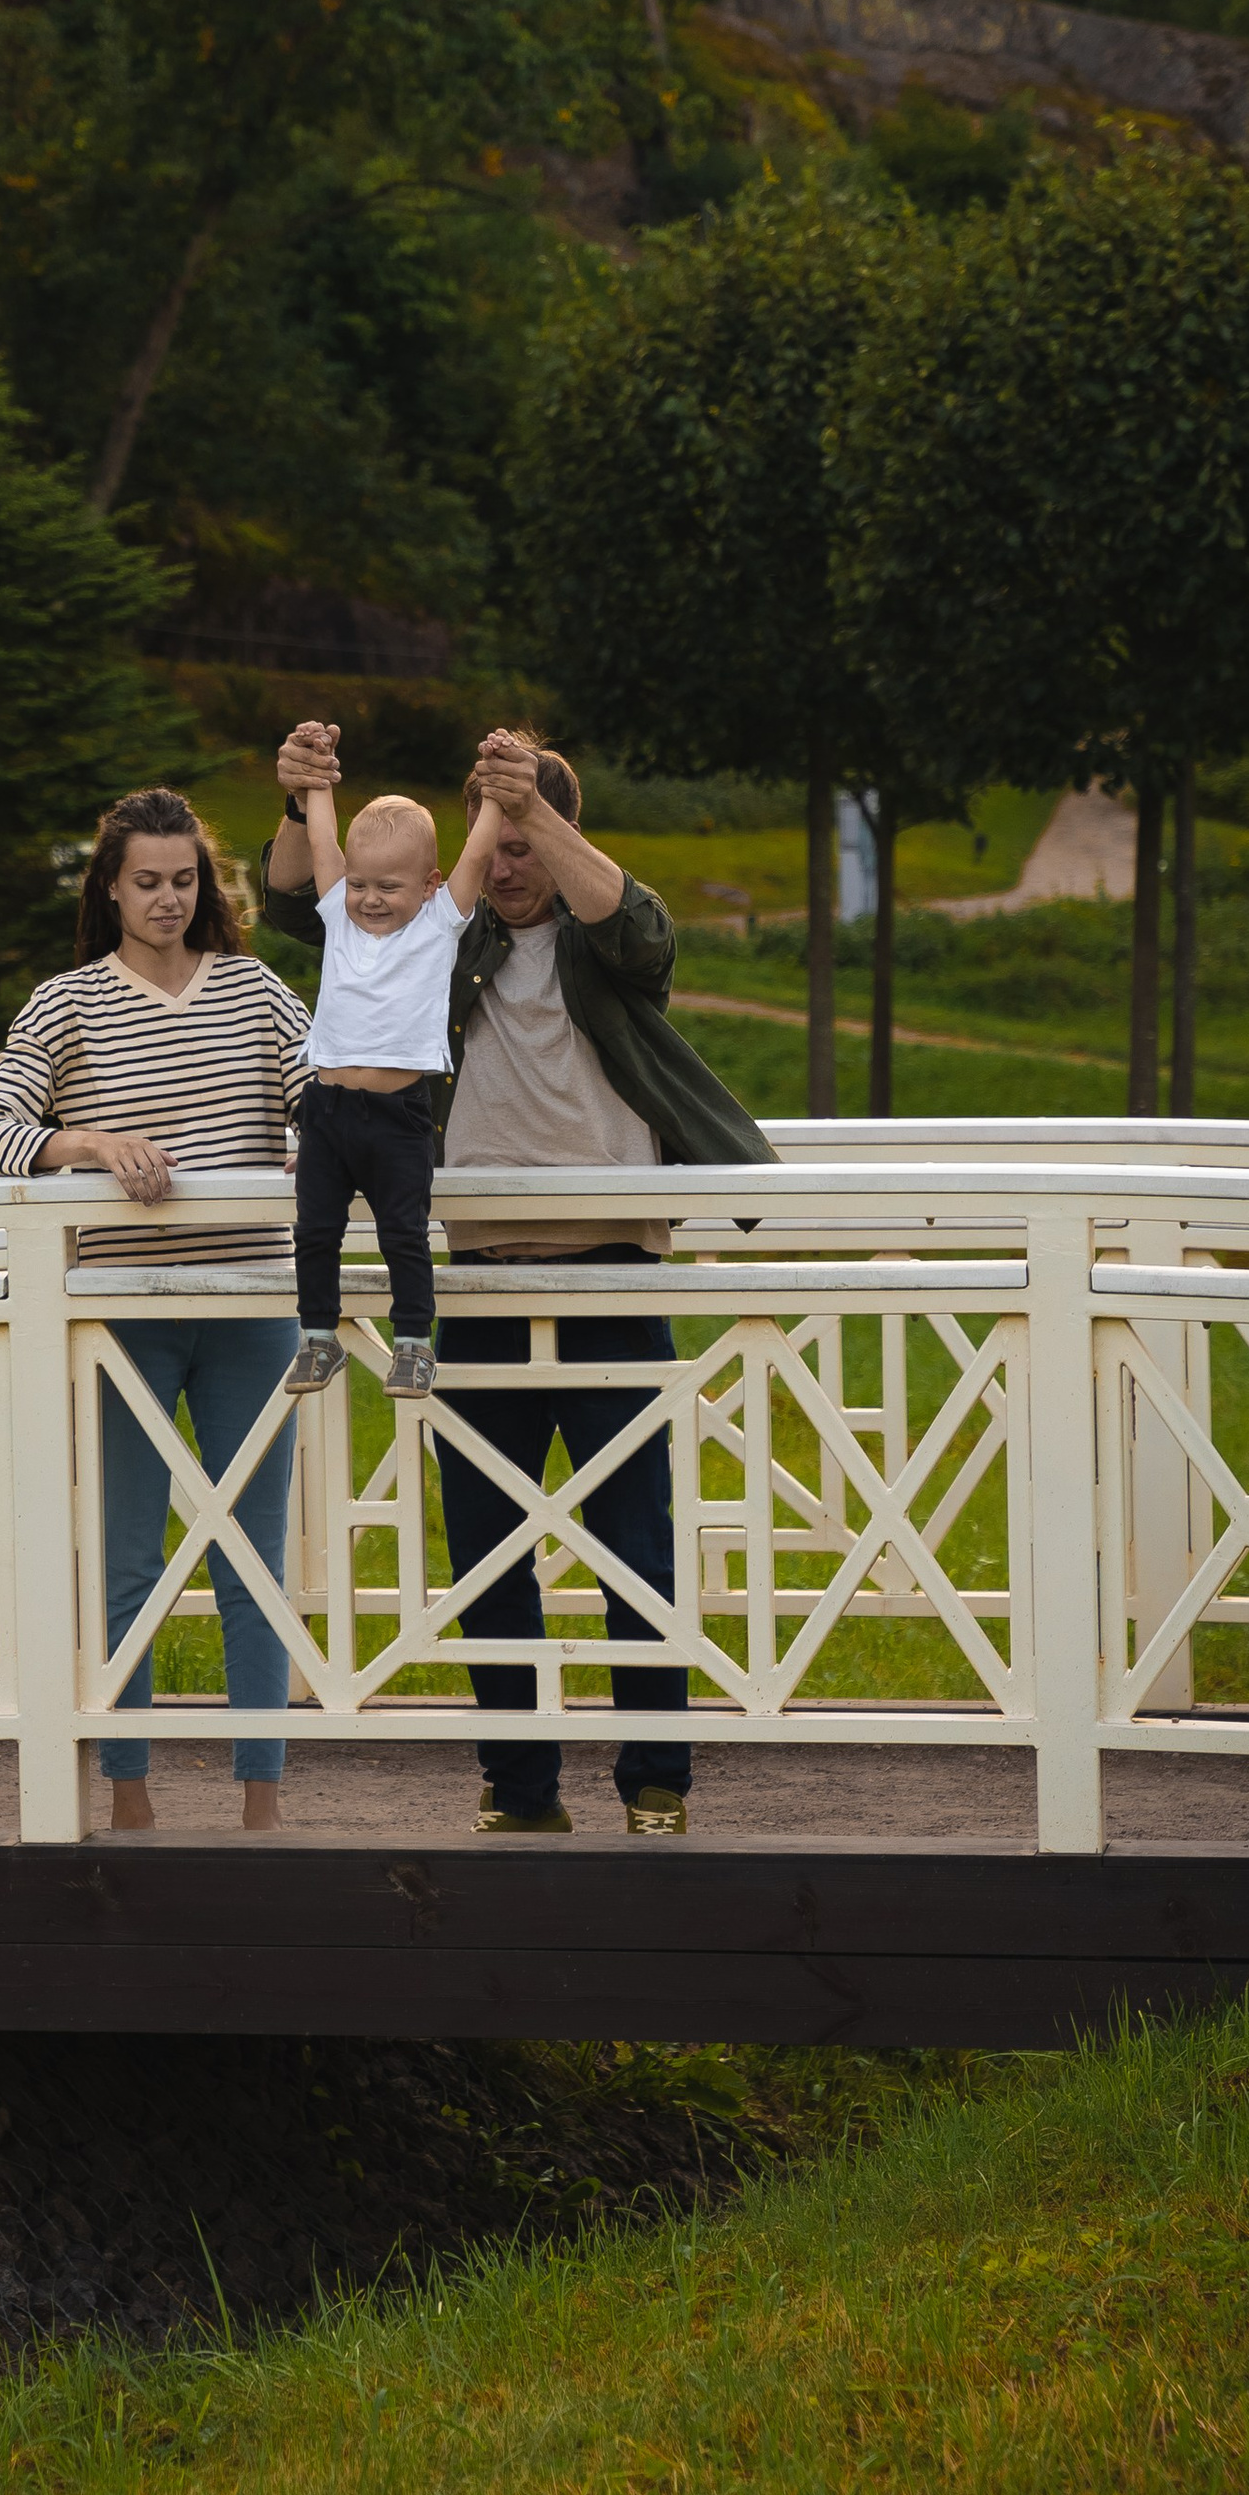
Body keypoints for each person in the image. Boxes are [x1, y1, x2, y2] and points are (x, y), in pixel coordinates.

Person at [262, 726, 775, 1839]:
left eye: (525, 835)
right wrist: (303, 796)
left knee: (635, 1539)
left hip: (616, 1273)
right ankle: (521, 1784)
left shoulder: (603, 935)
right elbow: (303, 908)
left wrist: (537, 804)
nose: (506, 861)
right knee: (489, 1542)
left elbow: (643, 933)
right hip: (480, 1277)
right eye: (491, 834)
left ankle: (654, 1780)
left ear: (558, 831)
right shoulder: (440, 941)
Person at [0, 788, 307, 1835]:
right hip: (121, 1321)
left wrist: (316, 1136)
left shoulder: (253, 990)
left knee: (252, 1553)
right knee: (126, 1554)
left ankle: (260, 1802)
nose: (167, 899)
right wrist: (86, 1144)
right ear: (109, 886)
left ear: (206, 886)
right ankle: (129, 1794)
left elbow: (322, 1092)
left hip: (252, 1308)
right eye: (146, 882)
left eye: (184, 881)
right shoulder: (67, 1004)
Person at [282, 746, 502, 1401]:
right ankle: (318, 1337)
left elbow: (478, 858)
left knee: (402, 1231)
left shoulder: (438, 927)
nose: (369, 900)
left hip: (399, 1113)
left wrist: (492, 794)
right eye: (359, 884)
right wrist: (318, 783)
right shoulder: (338, 916)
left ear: (431, 885)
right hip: (325, 1113)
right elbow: (324, 845)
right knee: (314, 1230)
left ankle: (412, 1343)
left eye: (388, 887)